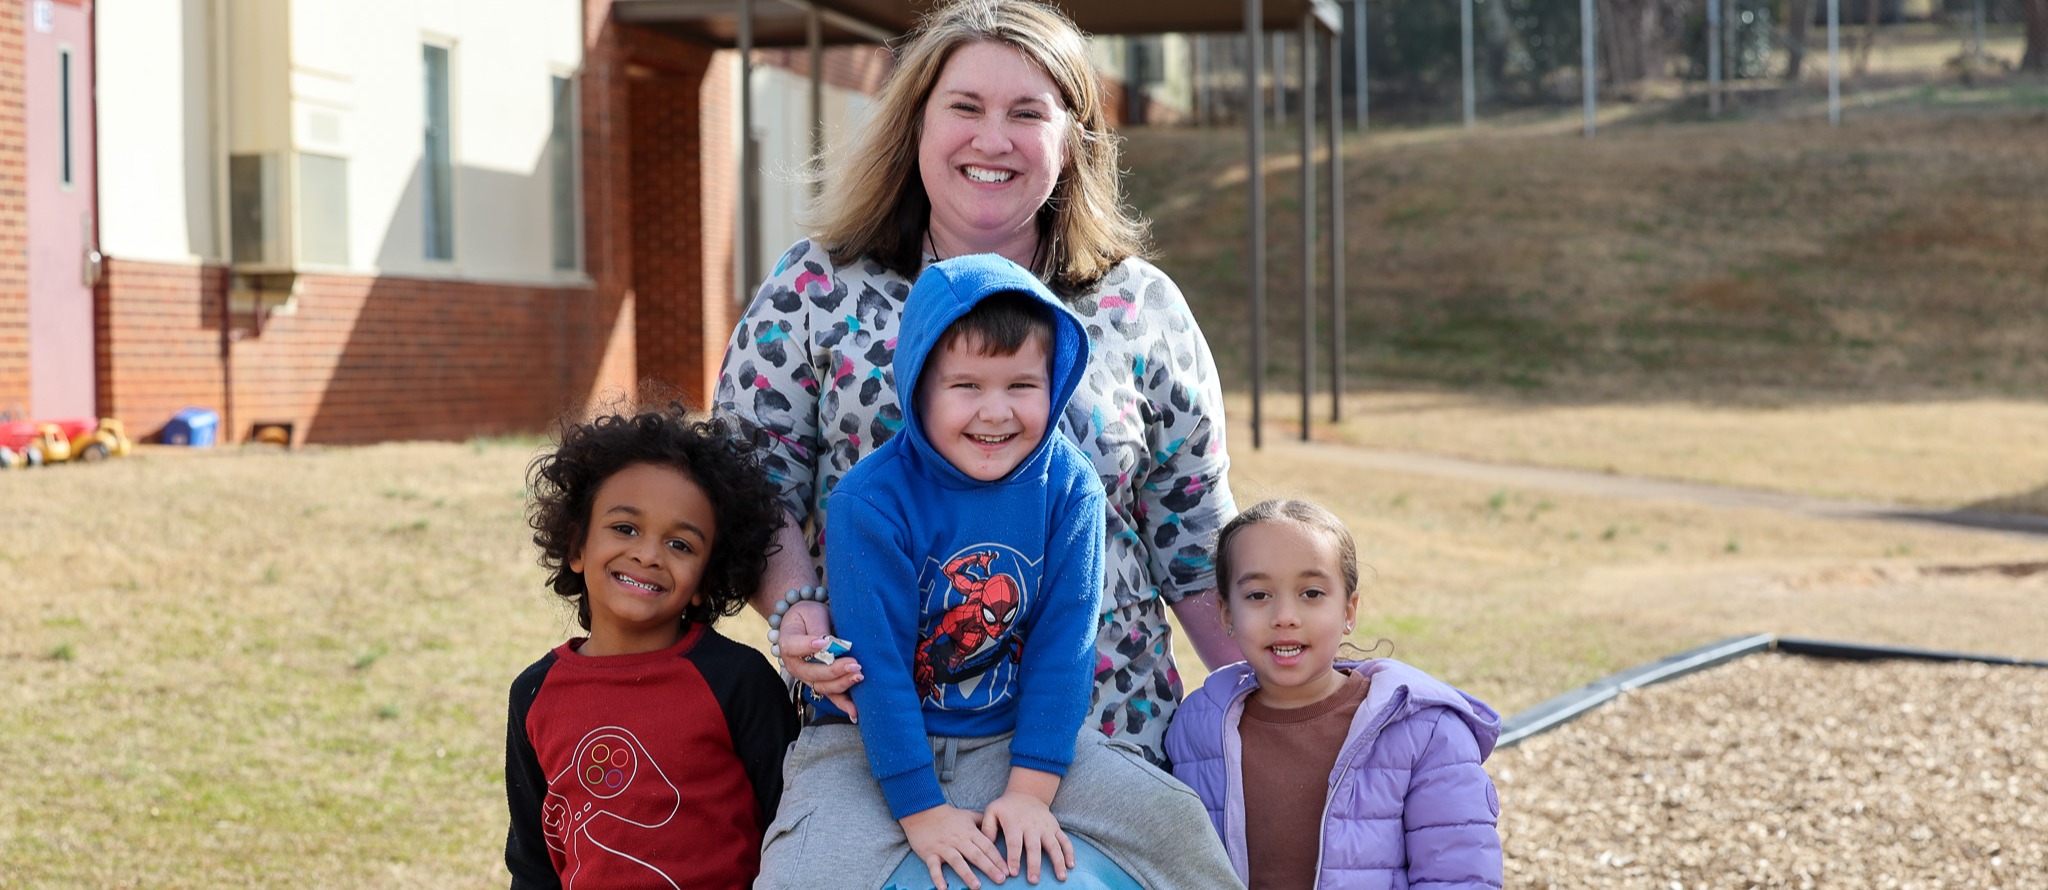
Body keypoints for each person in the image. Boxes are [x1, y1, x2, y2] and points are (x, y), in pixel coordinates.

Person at [716, 0, 1238, 771]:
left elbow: (1193, 538)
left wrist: (1265, 695)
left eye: (1028, 113)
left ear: (1072, 139)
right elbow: (750, 483)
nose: (992, 140)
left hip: (1106, 736)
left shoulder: (1140, 305)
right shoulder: (817, 287)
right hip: (885, 739)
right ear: (916, 123)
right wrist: (798, 611)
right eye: (964, 107)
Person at [755, 255, 1240, 890]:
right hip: (867, 744)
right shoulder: (868, 505)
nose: (995, 412)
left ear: (1055, 382)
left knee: (1175, 824)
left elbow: (1063, 650)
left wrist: (1031, 793)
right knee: (799, 876)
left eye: (1021, 386)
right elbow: (877, 674)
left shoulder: (1069, 490)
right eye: (966, 387)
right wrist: (924, 814)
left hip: (1015, 737)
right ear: (918, 385)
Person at [503, 406, 800, 890]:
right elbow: (534, 865)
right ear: (577, 547)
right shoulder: (534, 694)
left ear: (706, 579)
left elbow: (792, 830)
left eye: (681, 545)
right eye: (625, 528)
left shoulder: (738, 681)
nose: (647, 554)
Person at [1163, 500, 1505, 890]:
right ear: (1225, 613)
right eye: (1258, 595)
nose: (1285, 616)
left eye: (1311, 592)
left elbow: (1459, 876)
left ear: (1349, 609)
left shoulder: (1425, 732)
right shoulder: (1197, 728)